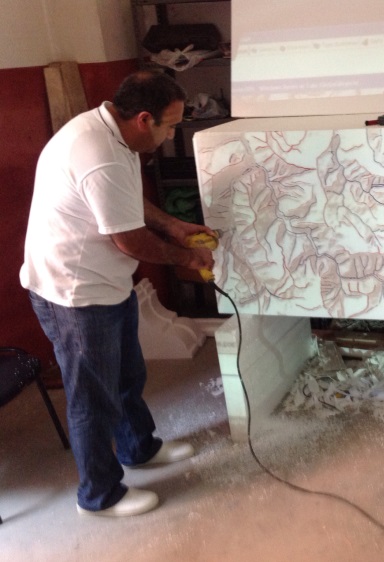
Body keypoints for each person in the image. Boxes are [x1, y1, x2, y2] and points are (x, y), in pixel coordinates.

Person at [20, 70, 215, 517]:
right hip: (75, 293)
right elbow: (128, 240)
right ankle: (99, 496)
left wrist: (173, 225)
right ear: (144, 118)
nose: (171, 136)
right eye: (170, 126)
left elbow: (123, 200)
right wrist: (187, 258)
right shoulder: (98, 152)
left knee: (128, 376)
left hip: (106, 281)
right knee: (94, 399)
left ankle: (138, 448)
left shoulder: (116, 134)